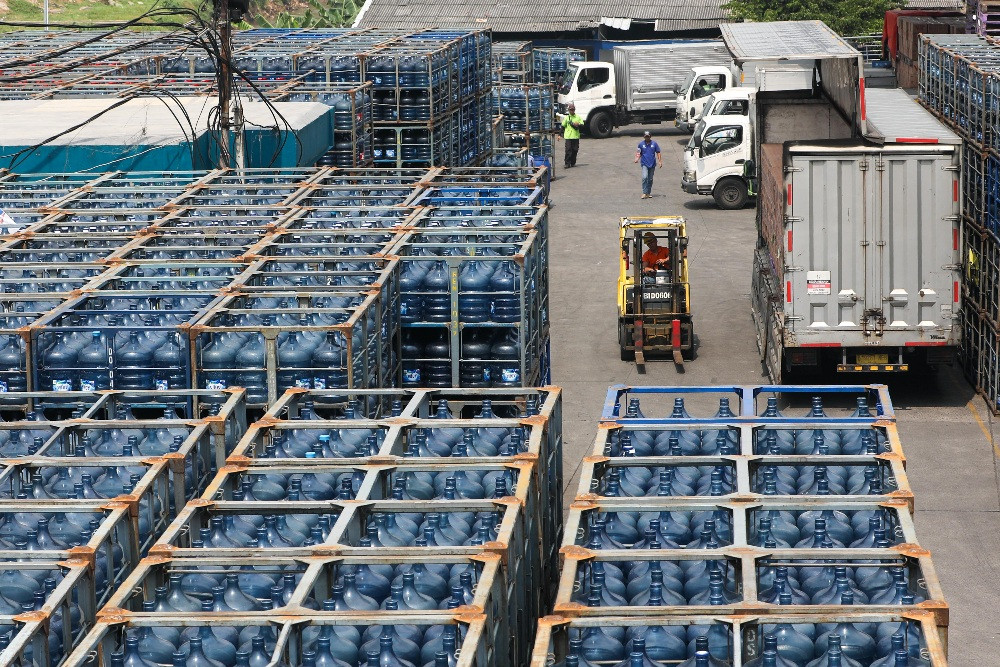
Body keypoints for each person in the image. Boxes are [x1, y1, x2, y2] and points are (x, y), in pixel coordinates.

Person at [634, 131, 663, 199]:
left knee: (650, 179)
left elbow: (658, 152)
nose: (647, 137)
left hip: (652, 164)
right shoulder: (641, 144)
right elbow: (638, 152)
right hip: (644, 163)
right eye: (646, 136)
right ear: (644, 136)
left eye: (648, 136)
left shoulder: (654, 144)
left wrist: (660, 161)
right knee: (644, 177)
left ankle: (648, 193)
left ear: (650, 136)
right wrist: (636, 158)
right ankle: (644, 192)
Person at [561, 103, 584, 168]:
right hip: (568, 136)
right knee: (568, 150)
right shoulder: (567, 118)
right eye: (570, 110)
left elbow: (582, 125)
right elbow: (563, 126)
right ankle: (567, 163)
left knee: (575, 150)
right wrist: (560, 134)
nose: (572, 111)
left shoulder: (578, 117)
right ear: (569, 110)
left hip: (575, 136)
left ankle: (573, 162)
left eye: (573, 110)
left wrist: (578, 124)